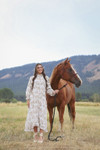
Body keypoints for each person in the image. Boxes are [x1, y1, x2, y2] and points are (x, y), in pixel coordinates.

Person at [24, 63, 59, 143]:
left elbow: (48, 90)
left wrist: (54, 92)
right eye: (38, 67)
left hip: (42, 101)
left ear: (43, 68)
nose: (40, 68)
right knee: (34, 118)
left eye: (41, 67)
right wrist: (28, 99)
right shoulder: (32, 78)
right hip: (34, 101)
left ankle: (41, 136)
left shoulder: (46, 78)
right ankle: (35, 135)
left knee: (42, 118)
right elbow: (28, 89)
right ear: (36, 69)